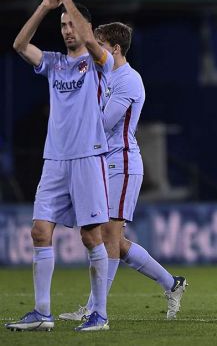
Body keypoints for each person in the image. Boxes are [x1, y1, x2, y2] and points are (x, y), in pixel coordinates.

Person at [5, 0, 113, 332]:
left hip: (87, 157)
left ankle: (99, 314)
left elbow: (87, 35)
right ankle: (42, 313)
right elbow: (19, 45)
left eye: (71, 24)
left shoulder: (99, 62)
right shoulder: (53, 63)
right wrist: (45, 6)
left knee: (90, 236)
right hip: (55, 160)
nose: (67, 29)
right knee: (39, 231)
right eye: (63, 24)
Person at [58, 22, 187, 323]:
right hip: (102, 163)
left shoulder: (128, 80)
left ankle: (94, 309)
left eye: (99, 44)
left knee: (108, 235)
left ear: (114, 48)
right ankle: (173, 284)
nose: (93, 50)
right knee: (113, 239)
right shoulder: (100, 76)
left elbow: (104, 124)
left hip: (122, 163)